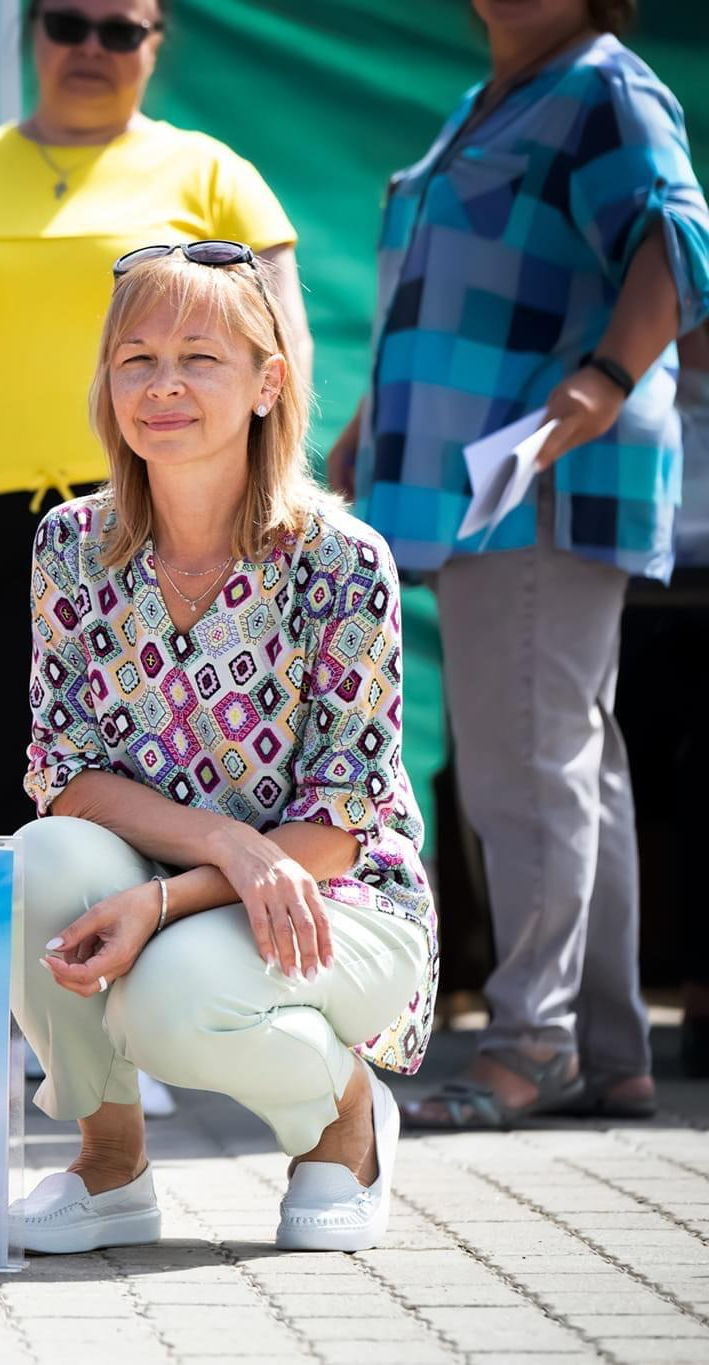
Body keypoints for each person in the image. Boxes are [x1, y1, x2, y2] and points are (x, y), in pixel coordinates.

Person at [328, 0, 708, 1128]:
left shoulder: (603, 85)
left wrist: (604, 377)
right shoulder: (484, 103)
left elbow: (679, 238)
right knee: (568, 764)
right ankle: (605, 1049)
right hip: (479, 486)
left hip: (538, 481)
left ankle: (530, 1041)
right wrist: (367, 431)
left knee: (529, 766)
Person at [10, 246, 436, 1255]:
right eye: (136, 359)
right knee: (37, 860)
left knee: (169, 1001)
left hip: (338, 901)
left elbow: (340, 823)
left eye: (199, 357)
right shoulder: (68, 544)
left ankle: (345, 1123)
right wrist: (224, 847)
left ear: (266, 382)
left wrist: (168, 898)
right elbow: (62, 773)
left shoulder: (344, 559)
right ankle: (108, 1167)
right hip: (175, 877)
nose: (162, 385)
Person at [0, 0, 307, 839]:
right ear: (32, 33)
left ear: (156, 42)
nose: (90, 46)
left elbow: (279, 344)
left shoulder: (212, 173)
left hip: (164, 517)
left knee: (156, 772)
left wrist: (273, 485)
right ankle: (0, 937)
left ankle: (159, 924)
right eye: (67, 24)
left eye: (120, 30)